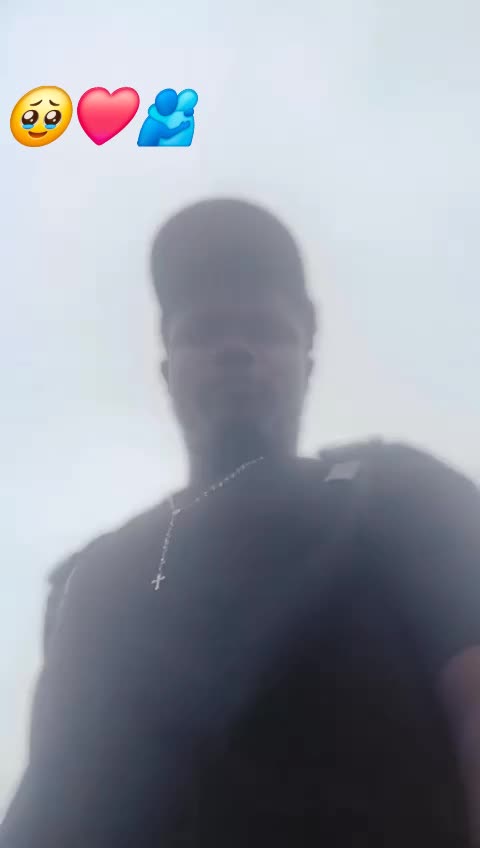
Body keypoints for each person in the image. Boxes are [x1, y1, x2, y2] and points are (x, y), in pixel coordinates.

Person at [2, 197, 480, 848]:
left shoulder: (400, 491)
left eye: (265, 329)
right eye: (203, 331)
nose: (234, 349)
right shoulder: (89, 579)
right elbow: (54, 797)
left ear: (306, 364)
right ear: (168, 371)